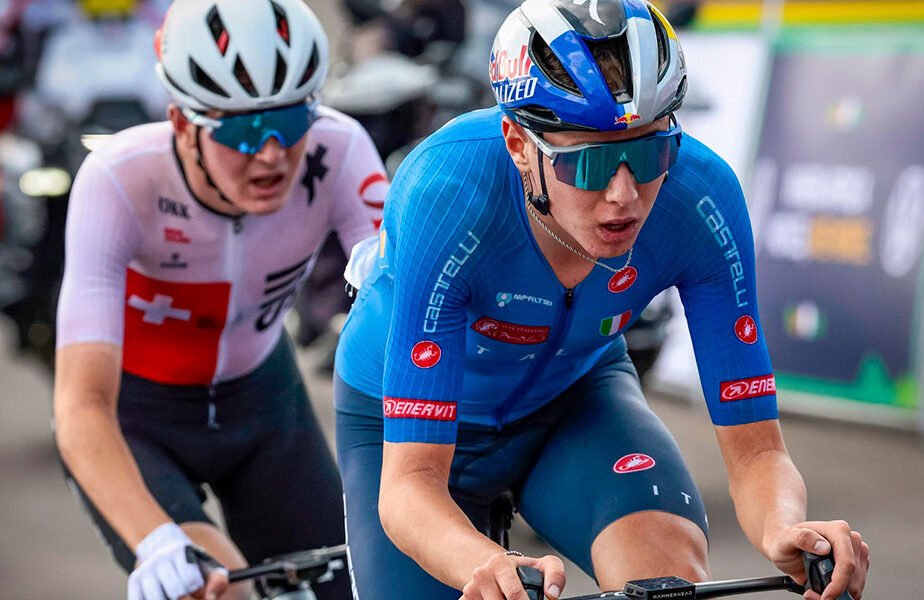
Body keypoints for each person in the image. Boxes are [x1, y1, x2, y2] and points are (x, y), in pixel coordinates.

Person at [334, 0, 870, 599]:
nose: (624, 194)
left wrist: (785, 526)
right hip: (402, 426)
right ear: (518, 143)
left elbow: (757, 451)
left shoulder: (700, 198)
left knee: (665, 576)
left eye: (647, 153)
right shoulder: (446, 190)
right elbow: (410, 484)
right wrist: (482, 560)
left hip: (572, 399)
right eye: (588, 162)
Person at [52, 0, 387, 599]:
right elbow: (80, 406)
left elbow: (411, 309)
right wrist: (155, 542)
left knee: (353, 587)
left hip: (263, 402)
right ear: (182, 123)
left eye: (291, 121)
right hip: (139, 420)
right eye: (240, 129)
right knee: (215, 589)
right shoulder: (119, 178)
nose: (272, 153)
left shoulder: (339, 149)